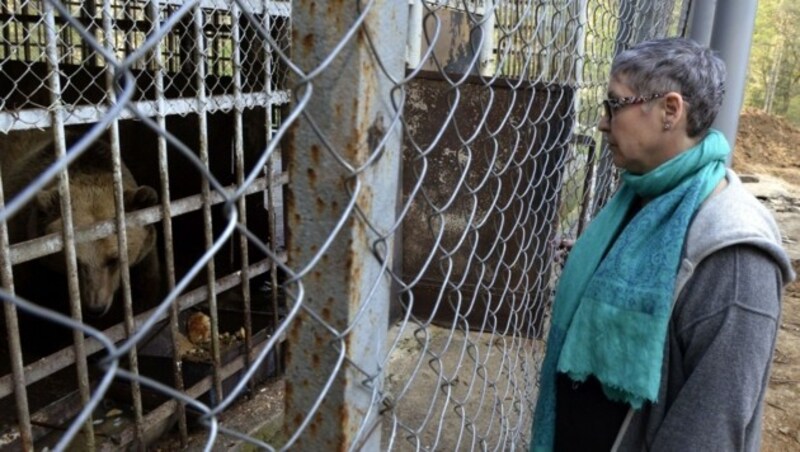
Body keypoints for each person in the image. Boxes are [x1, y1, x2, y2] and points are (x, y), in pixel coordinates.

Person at [530, 37, 795, 452]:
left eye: (615, 105)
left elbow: (710, 429)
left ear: (670, 110)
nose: (603, 122)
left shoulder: (736, 253)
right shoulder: (641, 195)